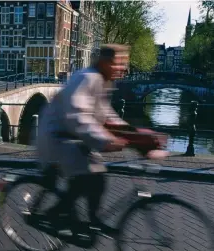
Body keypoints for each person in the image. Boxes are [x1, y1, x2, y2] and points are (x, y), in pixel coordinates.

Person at [36, 44, 168, 233]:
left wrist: (144, 139)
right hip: (57, 137)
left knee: (98, 174)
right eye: (120, 64)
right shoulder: (86, 78)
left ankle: (92, 220)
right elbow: (77, 116)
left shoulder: (103, 82)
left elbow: (108, 118)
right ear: (106, 62)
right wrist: (105, 140)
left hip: (74, 138)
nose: (123, 69)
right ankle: (54, 215)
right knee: (87, 177)